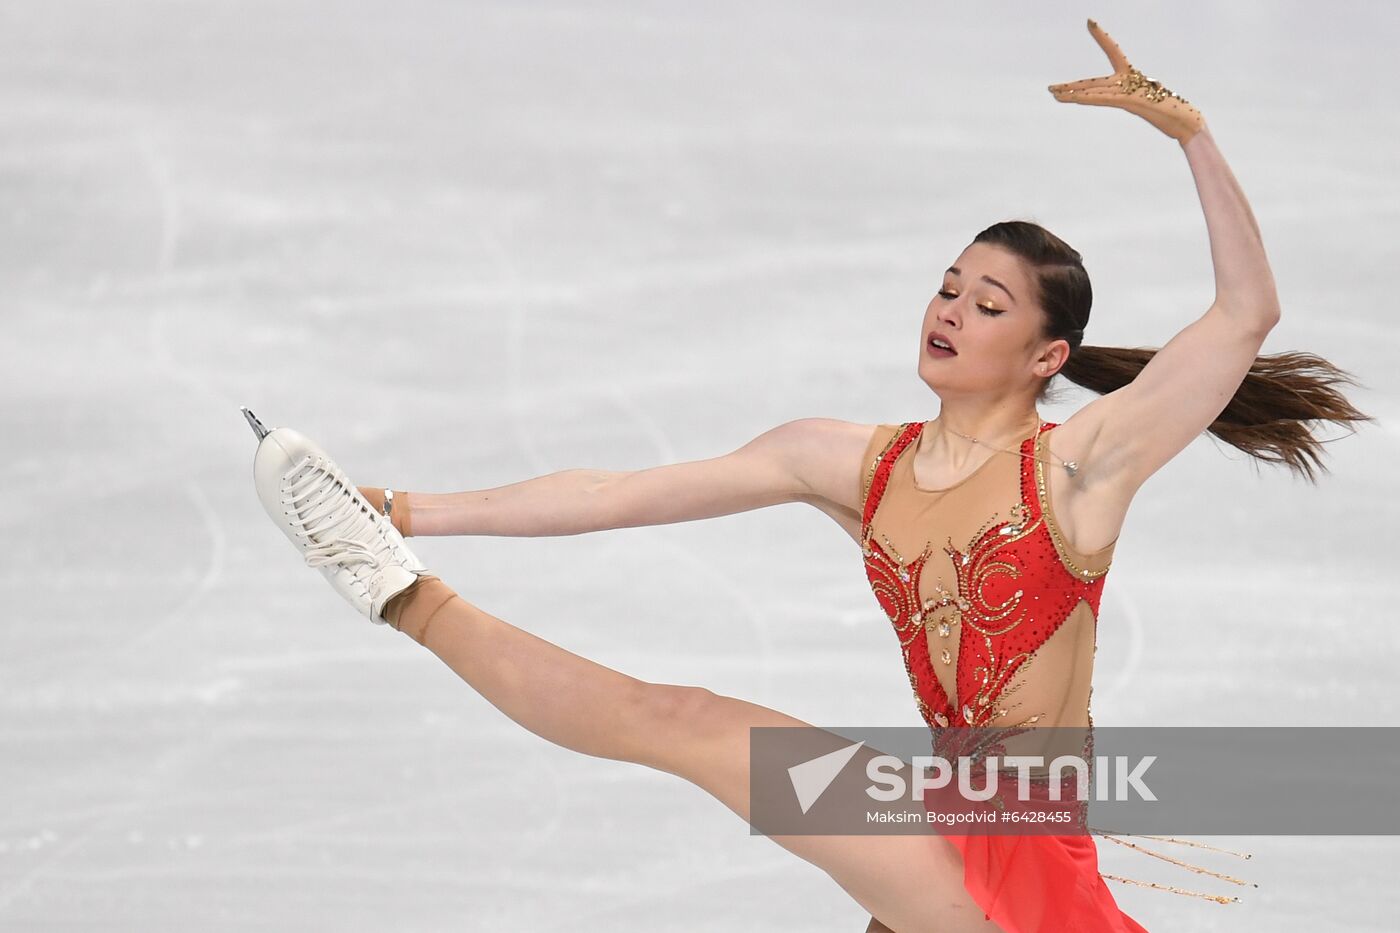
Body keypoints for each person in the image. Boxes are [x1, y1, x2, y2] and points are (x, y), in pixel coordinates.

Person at [247, 19, 1367, 933]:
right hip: (935, 831)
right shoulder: (848, 461)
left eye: (987, 306)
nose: (948, 312)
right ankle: (388, 560)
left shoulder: (1076, 467)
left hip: (1020, 869)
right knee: (671, 716)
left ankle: (395, 593)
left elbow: (1243, 315)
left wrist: (1190, 137)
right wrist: (407, 506)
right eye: (945, 287)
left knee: (678, 721)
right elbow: (614, 494)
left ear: (1044, 358)